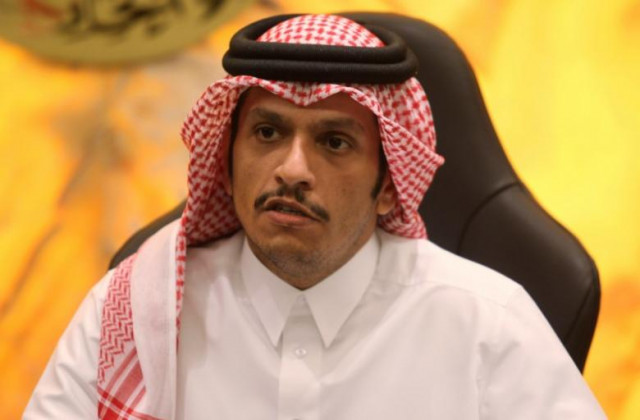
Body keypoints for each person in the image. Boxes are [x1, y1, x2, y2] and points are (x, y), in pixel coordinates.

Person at [24, 13, 606, 419]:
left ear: (389, 186)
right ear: (226, 162)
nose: (292, 170)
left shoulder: (488, 324)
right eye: (268, 132)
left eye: (334, 142)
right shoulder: (134, 309)